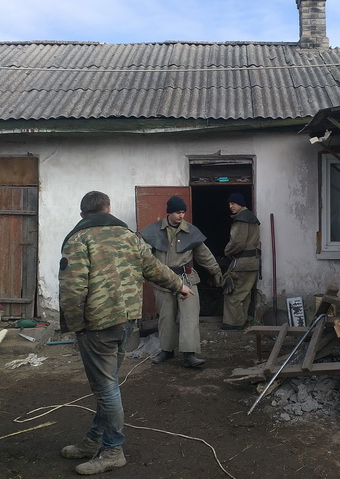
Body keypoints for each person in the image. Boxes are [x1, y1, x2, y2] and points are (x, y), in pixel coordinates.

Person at [59, 191, 193, 475]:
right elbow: (153, 268)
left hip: (97, 326)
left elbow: (72, 289)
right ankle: (93, 441)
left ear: (83, 214)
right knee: (107, 385)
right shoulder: (129, 236)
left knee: (106, 388)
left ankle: (113, 451)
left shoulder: (78, 239)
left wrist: (75, 325)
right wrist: (179, 285)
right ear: (108, 209)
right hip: (127, 321)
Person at [140, 196, 223, 368]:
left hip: (187, 279)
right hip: (163, 281)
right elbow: (144, 256)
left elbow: (204, 254)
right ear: (169, 212)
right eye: (178, 212)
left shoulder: (191, 231)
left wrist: (215, 271)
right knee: (166, 317)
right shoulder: (153, 231)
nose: (181, 215)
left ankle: (189, 354)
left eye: (183, 212)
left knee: (190, 316)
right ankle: (166, 350)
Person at [221, 193, 261, 330]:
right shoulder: (251, 217)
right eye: (229, 204)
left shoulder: (241, 219)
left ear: (241, 204)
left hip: (242, 262)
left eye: (234, 203)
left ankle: (233, 323)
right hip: (252, 262)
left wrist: (226, 252)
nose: (231, 206)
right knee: (244, 293)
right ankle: (241, 320)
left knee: (234, 293)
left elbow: (237, 242)